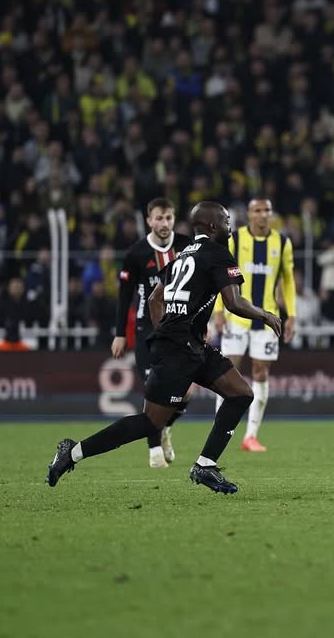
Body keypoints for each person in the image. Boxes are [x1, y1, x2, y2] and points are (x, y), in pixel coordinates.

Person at [47, 202, 282, 494]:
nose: (230, 226)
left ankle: (205, 465)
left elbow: (156, 298)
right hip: (178, 349)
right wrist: (267, 315)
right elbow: (233, 303)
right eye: (225, 221)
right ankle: (72, 452)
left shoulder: (184, 253)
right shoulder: (218, 254)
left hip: (188, 344)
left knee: (241, 393)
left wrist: (172, 329)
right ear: (212, 227)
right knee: (150, 423)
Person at [110, 198, 193, 468]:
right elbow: (124, 297)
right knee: (153, 390)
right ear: (149, 221)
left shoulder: (186, 246)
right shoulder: (136, 253)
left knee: (187, 392)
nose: (164, 223)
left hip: (181, 329)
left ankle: (165, 427)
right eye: (159, 218)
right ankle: (154, 448)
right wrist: (120, 333)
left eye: (168, 218)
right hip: (148, 331)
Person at [212, 198, 295, 452]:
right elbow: (219, 274)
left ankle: (250, 436)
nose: (262, 215)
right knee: (226, 373)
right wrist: (218, 310)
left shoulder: (281, 243)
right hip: (236, 318)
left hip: (266, 318)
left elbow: (288, 280)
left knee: (261, 373)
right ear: (248, 214)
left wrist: (291, 314)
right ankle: (221, 428)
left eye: (266, 210)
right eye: (257, 211)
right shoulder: (235, 239)